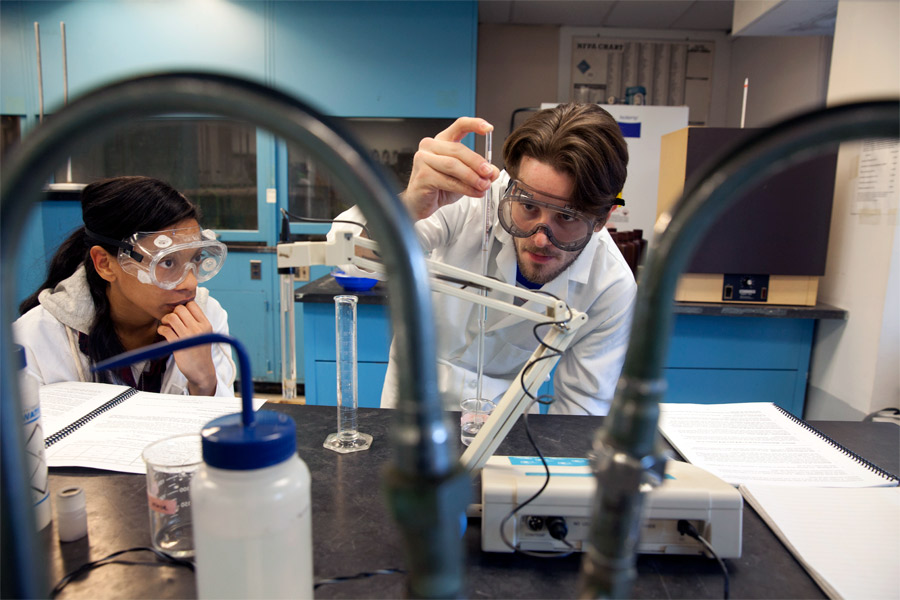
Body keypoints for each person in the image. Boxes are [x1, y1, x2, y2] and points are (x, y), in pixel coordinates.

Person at [333, 103, 635, 415]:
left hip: (506, 428)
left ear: (603, 219)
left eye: (567, 217)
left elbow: (582, 410)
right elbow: (347, 257)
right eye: (529, 207)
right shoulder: (469, 198)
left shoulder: (610, 286)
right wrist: (410, 204)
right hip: (411, 411)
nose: (541, 238)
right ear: (509, 188)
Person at [14, 176, 236, 397]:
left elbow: (226, 426)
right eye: (167, 262)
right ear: (105, 264)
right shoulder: (36, 338)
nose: (190, 283)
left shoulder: (205, 318)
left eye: (196, 258)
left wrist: (204, 381)